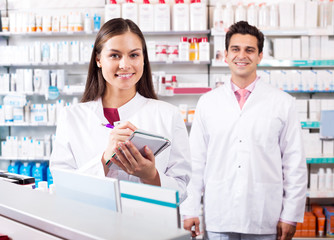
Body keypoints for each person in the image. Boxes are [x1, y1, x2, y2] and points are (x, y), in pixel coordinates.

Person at [180, 21, 307, 240]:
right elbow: (196, 162)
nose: (242, 55)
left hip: (263, 215)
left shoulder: (282, 103)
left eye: (250, 50)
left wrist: (290, 215)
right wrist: (190, 208)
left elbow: (294, 163)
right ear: (225, 55)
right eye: (235, 49)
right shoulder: (208, 103)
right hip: (219, 213)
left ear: (259, 56)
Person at [50, 18, 191, 201]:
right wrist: (104, 160)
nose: (125, 65)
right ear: (98, 59)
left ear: (143, 60)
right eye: (115, 55)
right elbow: (62, 187)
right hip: (89, 225)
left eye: (134, 55)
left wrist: (151, 176)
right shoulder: (72, 117)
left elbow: (181, 190)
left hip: (149, 226)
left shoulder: (168, 115)